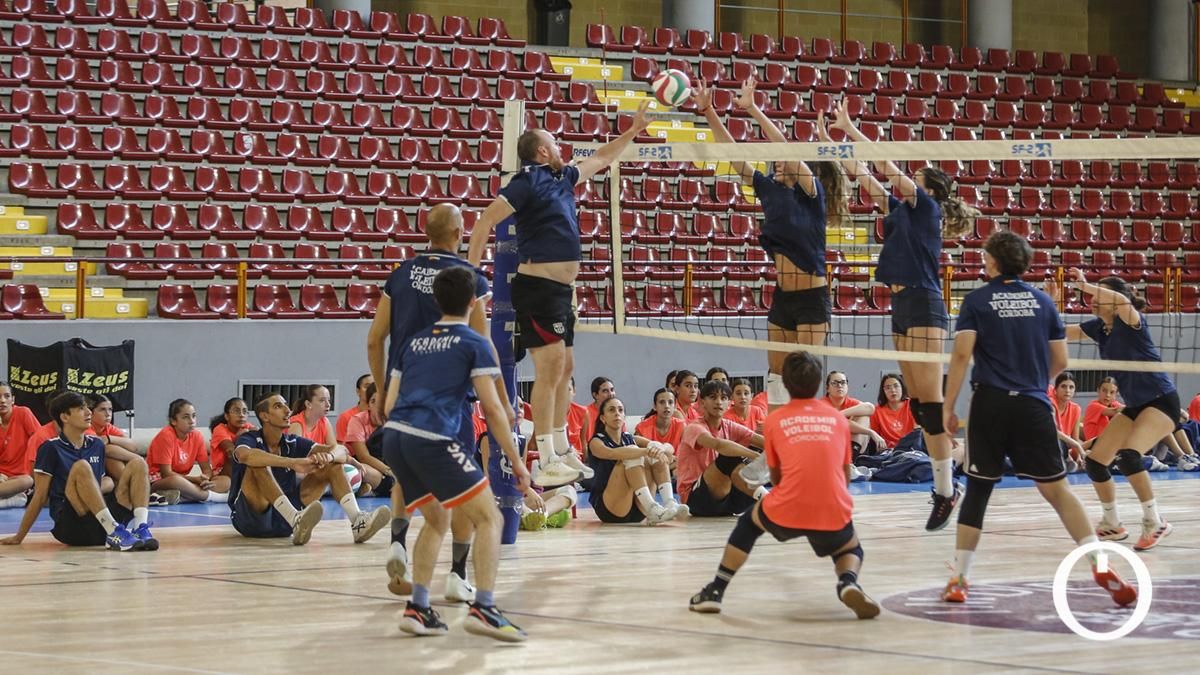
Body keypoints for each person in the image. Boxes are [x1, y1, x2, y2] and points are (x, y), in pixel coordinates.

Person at [941, 232, 1135, 606]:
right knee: (1058, 491)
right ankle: (1099, 562)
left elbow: (962, 356)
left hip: (991, 404)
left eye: (985, 255)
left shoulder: (977, 300)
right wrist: (1030, 381)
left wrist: (948, 407)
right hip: (1033, 405)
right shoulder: (1044, 302)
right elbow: (1061, 363)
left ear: (995, 262)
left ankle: (960, 579)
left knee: (978, 490)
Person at [467, 102, 651, 489]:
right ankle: (546, 456)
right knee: (550, 369)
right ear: (542, 151)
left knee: (565, 369)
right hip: (538, 289)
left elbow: (602, 157)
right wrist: (472, 276)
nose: (560, 145)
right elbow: (484, 221)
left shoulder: (563, 178)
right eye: (554, 141)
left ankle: (563, 448)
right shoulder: (527, 181)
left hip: (562, 291)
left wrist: (633, 130)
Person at [826, 100, 980, 530]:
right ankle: (948, 485)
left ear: (930, 190)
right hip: (901, 305)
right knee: (919, 406)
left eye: (915, 180)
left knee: (930, 407)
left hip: (925, 302)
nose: (908, 183)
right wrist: (833, 141)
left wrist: (852, 128)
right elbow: (866, 178)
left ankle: (947, 491)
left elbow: (886, 169)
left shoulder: (927, 208)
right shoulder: (901, 213)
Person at [366, 202, 519, 601]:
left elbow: (373, 338)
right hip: (450, 402)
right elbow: (485, 343)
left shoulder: (400, 275)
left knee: (413, 482)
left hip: (404, 394)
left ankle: (399, 542)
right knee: (469, 497)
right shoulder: (469, 279)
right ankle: (457, 575)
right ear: (459, 234)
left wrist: (382, 391)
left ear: (426, 232)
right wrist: (506, 403)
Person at [381, 266, 531, 641]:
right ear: (473, 302)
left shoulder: (412, 342)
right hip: (433, 437)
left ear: (436, 301)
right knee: (490, 517)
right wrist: (516, 462)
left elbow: (388, 403)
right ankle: (484, 608)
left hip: (395, 436)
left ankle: (418, 608)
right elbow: (494, 410)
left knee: (436, 519)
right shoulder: (474, 342)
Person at [695, 78, 848, 414]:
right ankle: (774, 454)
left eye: (784, 161)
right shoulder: (768, 189)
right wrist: (708, 111)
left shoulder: (811, 195)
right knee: (777, 378)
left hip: (812, 297)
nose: (777, 162)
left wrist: (751, 109)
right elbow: (732, 153)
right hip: (782, 297)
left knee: (804, 378)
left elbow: (783, 147)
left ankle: (810, 439)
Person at [690, 351, 879, 619]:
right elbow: (844, 473)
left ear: (786, 385)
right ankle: (848, 582)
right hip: (832, 503)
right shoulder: (838, 420)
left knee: (747, 525)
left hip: (790, 504)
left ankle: (716, 590)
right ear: (819, 385)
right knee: (850, 546)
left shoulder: (775, 422)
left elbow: (775, 476)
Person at [1048, 269, 1177, 550]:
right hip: (1135, 405)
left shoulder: (1131, 320)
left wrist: (1086, 284)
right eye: (1091, 293)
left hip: (1161, 400)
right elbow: (1057, 333)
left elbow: (1119, 299)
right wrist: (1050, 304)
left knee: (1130, 456)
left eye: (1098, 292)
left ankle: (1155, 521)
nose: (1091, 297)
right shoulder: (1098, 327)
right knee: (1096, 461)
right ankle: (1111, 524)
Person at [2, 391, 156, 551]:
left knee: (138, 463)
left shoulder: (96, 444)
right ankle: (113, 531)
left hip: (99, 518)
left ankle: (140, 529)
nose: (89, 412)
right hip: (72, 525)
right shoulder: (50, 448)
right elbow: (39, 496)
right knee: (81, 466)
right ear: (65, 417)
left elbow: (102, 482)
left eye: (88, 408)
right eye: (81, 409)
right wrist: (19, 537)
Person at [229, 392, 390, 545]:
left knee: (332, 465)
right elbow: (246, 456)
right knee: (257, 464)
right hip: (251, 520)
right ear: (264, 416)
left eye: (286, 405)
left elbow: (342, 450)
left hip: (285, 523)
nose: (287, 410)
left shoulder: (292, 441)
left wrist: (328, 457)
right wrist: (292, 463)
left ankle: (357, 521)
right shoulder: (248, 438)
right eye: (278, 406)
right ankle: (295, 518)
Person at [677, 381, 770, 517]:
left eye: (723, 398)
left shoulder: (729, 425)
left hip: (729, 502)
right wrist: (755, 456)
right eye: (713, 397)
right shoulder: (694, 427)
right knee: (730, 456)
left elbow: (762, 441)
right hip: (696, 499)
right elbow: (719, 445)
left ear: (729, 403)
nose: (719, 402)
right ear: (702, 403)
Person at [588, 397, 685, 524]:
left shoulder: (630, 438)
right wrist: (647, 451)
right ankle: (652, 507)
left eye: (620, 410)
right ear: (603, 418)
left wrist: (658, 449)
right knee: (633, 452)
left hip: (638, 509)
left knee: (653, 452)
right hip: (611, 509)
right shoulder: (596, 441)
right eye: (611, 410)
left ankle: (669, 503)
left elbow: (669, 449)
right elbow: (613, 453)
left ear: (624, 417)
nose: (617, 413)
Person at [147, 399, 226, 504]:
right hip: (159, 481)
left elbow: (207, 470)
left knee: (226, 481)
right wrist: (195, 480)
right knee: (176, 481)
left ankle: (181, 497)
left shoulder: (197, 436)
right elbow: (166, 474)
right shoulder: (166, 436)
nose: (191, 420)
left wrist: (205, 479)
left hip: (185, 482)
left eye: (194, 416)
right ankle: (212, 497)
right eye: (185, 417)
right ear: (173, 421)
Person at [342, 383, 392, 497]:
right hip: (363, 463)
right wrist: (389, 472)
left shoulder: (395, 421)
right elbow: (363, 456)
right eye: (377, 401)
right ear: (370, 404)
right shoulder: (357, 420)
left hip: (386, 464)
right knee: (361, 471)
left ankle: (373, 487)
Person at [824, 371, 885, 455]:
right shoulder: (822, 405)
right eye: (835, 383)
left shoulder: (851, 402)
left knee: (864, 416)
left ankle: (852, 458)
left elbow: (870, 407)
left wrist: (838, 415)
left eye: (843, 382)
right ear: (827, 388)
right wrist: (870, 432)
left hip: (851, 446)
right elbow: (845, 423)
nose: (839, 385)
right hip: (829, 447)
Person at [0, 382, 39, 508]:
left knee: (27, 481)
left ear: (13, 399)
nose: (2, 401)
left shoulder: (23, 413)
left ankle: (12, 498)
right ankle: (12, 499)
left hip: (19, 479)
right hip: (1, 479)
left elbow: (40, 441)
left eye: (6, 396)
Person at [208, 397, 253, 495]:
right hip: (222, 473)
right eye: (236, 411)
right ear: (227, 416)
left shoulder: (249, 427)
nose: (241, 415)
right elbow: (230, 452)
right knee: (234, 457)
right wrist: (239, 438)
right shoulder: (219, 429)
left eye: (245, 412)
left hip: (243, 471)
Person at [869, 374, 916, 450]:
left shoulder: (912, 405)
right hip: (889, 452)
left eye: (896, 386)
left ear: (902, 387)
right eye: (888, 388)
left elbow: (917, 432)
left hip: (912, 449)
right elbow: (875, 437)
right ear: (883, 391)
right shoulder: (877, 411)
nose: (893, 390)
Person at [1051, 373, 1085, 467]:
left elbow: (1075, 438)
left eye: (1071, 387)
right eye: (1063, 386)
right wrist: (1078, 446)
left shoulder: (1076, 409)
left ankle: (1066, 461)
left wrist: (1078, 458)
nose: (1067, 390)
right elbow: (1052, 431)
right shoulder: (1050, 404)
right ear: (1055, 389)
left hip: (1064, 447)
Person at [635, 388, 685, 453]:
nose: (667, 406)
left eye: (670, 402)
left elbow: (688, 453)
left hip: (675, 462)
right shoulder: (642, 427)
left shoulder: (681, 426)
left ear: (675, 406)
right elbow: (638, 454)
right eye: (662, 402)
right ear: (654, 406)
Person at [1082, 377, 1123, 444]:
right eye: (1104, 391)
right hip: (1094, 445)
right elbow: (1114, 411)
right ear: (1098, 390)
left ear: (1116, 394)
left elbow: (1123, 409)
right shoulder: (1093, 406)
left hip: (1110, 444)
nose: (1107, 395)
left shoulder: (1114, 404)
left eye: (1112, 392)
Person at [336, 374, 374, 443]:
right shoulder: (346, 416)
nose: (371, 390)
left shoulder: (384, 415)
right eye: (367, 386)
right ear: (358, 391)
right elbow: (341, 446)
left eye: (374, 386)